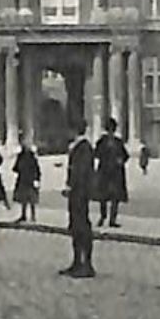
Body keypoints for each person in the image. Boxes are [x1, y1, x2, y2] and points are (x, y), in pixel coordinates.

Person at [61, 115, 96, 278]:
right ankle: (77, 262)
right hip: (77, 191)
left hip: (80, 192)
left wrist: (71, 186)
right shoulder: (78, 146)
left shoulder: (83, 147)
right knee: (75, 226)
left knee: (82, 226)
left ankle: (87, 264)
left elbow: (80, 171)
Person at [94, 119, 130, 228]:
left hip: (114, 173)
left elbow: (125, 155)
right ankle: (104, 217)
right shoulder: (102, 142)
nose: (110, 131)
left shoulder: (117, 142)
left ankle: (111, 219)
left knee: (114, 198)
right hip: (106, 172)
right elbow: (96, 154)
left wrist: (120, 160)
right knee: (103, 197)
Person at [13, 142, 41, 223]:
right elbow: (37, 169)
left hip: (24, 179)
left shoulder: (21, 157)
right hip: (29, 180)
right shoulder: (32, 157)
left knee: (25, 198)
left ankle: (25, 215)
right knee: (29, 198)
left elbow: (15, 168)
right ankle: (31, 216)